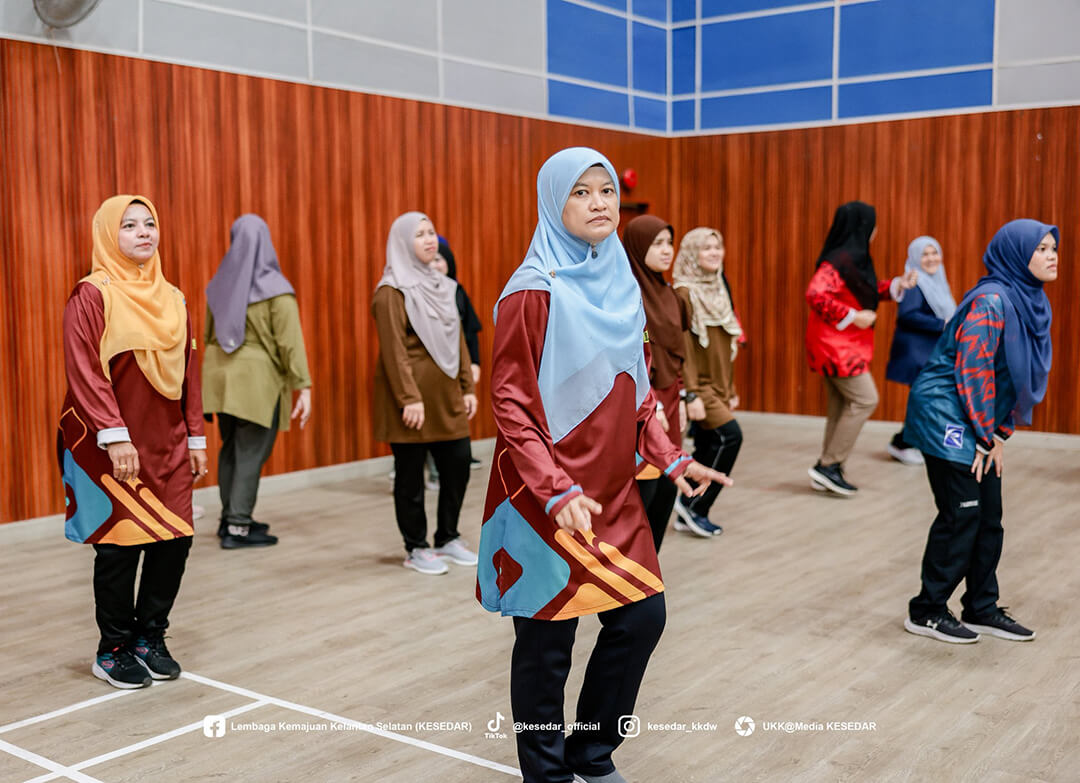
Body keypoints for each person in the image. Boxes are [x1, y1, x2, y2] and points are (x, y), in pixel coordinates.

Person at [476, 148, 732, 783]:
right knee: (547, 644)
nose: (599, 203)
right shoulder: (531, 291)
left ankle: (590, 752)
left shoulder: (622, 283)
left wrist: (671, 458)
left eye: (607, 191)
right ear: (553, 202)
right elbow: (510, 403)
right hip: (544, 496)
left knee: (642, 617)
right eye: (581, 192)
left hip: (612, 492)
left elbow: (637, 390)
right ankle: (546, 772)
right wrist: (554, 488)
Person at [58, 195, 207, 689]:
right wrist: (114, 434)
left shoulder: (174, 298)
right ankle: (113, 648)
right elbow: (84, 370)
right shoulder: (91, 295)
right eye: (128, 225)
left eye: (149, 223)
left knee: (176, 540)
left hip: (168, 441)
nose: (143, 232)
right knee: (120, 548)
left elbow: (189, 373)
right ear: (108, 234)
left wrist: (197, 435)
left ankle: (150, 638)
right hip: (109, 443)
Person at [903, 220, 1058, 644]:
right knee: (962, 513)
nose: (1052, 256)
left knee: (989, 516)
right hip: (945, 413)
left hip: (978, 418)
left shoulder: (1028, 300)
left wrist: (998, 434)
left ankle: (981, 607)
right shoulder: (991, 301)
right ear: (1016, 254)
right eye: (1041, 248)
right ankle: (927, 610)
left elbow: (1012, 377)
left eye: (1053, 248)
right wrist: (984, 436)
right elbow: (973, 370)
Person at [373, 212, 479, 575]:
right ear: (403, 243)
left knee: (458, 464)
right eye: (419, 234)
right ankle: (415, 547)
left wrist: (466, 386)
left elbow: (458, 339)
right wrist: (409, 397)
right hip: (411, 400)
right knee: (410, 477)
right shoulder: (390, 292)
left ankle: (447, 536)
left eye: (431, 232)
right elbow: (394, 351)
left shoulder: (444, 286)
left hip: (447, 394)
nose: (429, 239)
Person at [202, 214, 312, 549]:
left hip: (218, 379)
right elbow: (290, 343)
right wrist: (303, 386)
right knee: (250, 453)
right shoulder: (276, 289)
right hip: (255, 382)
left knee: (231, 449)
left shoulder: (219, 286)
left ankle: (230, 518)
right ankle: (238, 526)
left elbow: (207, 335)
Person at [805, 201, 917, 496]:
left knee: (841, 406)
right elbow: (815, 294)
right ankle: (828, 465)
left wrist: (897, 284)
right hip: (836, 347)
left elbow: (863, 291)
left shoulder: (851, 259)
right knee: (866, 399)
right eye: (873, 223)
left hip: (839, 345)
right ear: (863, 226)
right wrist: (853, 316)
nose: (876, 229)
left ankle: (828, 467)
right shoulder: (838, 261)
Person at [671, 227, 744, 537]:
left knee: (709, 444)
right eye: (706, 248)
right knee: (730, 437)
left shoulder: (718, 287)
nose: (714, 253)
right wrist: (689, 394)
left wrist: (730, 389)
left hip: (718, 384)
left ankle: (689, 509)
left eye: (718, 246)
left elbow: (725, 345)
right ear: (691, 253)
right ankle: (693, 506)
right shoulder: (684, 293)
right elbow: (683, 347)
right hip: (699, 387)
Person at [624, 215, 687, 551]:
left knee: (667, 487)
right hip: (644, 405)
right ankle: (631, 569)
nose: (667, 250)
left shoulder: (668, 293)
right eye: (657, 243)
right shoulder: (626, 294)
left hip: (670, 400)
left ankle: (652, 567)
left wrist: (684, 395)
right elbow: (631, 355)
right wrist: (652, 401)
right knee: (643, 493)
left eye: (669, 242)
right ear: (637, 248)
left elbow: (678, 351)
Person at [885, 236, 956, 465]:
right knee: (925, 400)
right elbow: (907, 315)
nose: (931, 258)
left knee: (926, 399)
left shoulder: (937, 281)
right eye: (924, 254)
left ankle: (907, 442)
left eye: (934, 253)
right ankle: (903, 443)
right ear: (915, 257)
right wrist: (942, 324)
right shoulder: (915, 281)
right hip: (916, 353)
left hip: (929, 352)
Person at [431, 237, 484, 476]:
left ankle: (457, 458)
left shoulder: (458, 292)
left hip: (456, 365)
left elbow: (470, 333)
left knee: (458, 411)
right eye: (431, 260)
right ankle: (433, 465)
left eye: (439, 259)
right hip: (433, 369)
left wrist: (474, 363)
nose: (435, 265)